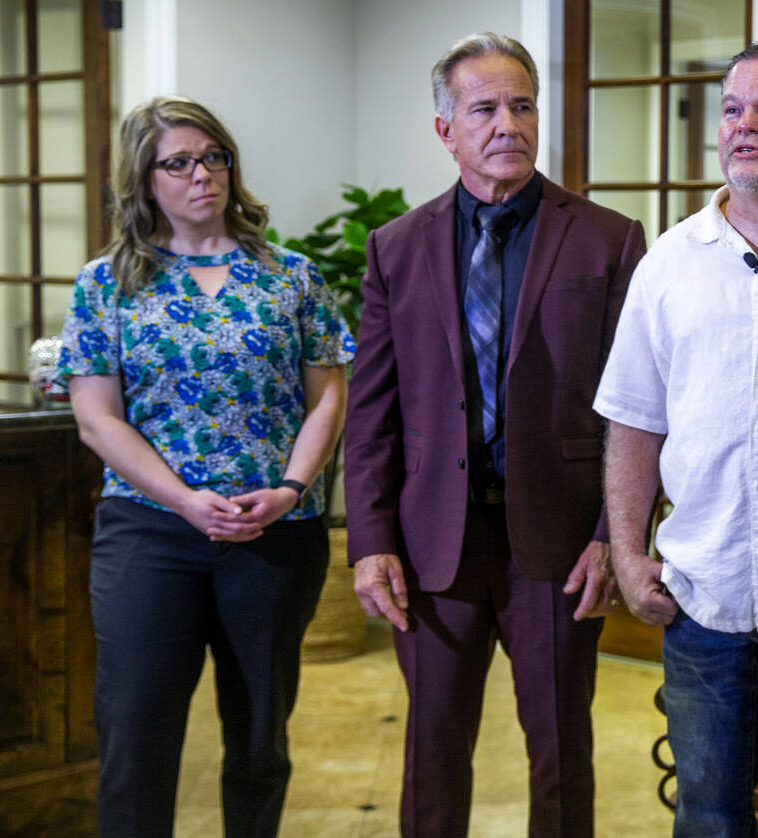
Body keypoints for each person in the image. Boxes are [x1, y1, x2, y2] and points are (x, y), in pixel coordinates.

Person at [343, 32, 645, 838]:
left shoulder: (608, 239)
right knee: (432, 753)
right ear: (446, 129)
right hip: (432, 544)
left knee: (559, 753)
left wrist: (613, 536)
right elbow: (372, 412)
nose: (508, 123)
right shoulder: (395, 248)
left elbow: (637, 409)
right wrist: (370, 538)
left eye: (522, 104)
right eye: (484, 108)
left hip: (556, 543)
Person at [55, 96, 353, 838]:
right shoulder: (107, 284)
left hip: (274, 535)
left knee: (259, 738)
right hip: (149, 534)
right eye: (179, 162)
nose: (202, 175)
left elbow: (327, 400)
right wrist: (187, 501)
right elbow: (97, 418)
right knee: (135, 732)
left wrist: (290, 489)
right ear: (144, 178)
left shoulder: (291, 276)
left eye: (214, 157)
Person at [595, 42, 758, 837]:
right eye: (732, 109)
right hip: (702, 593)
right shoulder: (670, 263)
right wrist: (625, 546)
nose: (744, 126)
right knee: (710, 815)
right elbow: (635, 418)